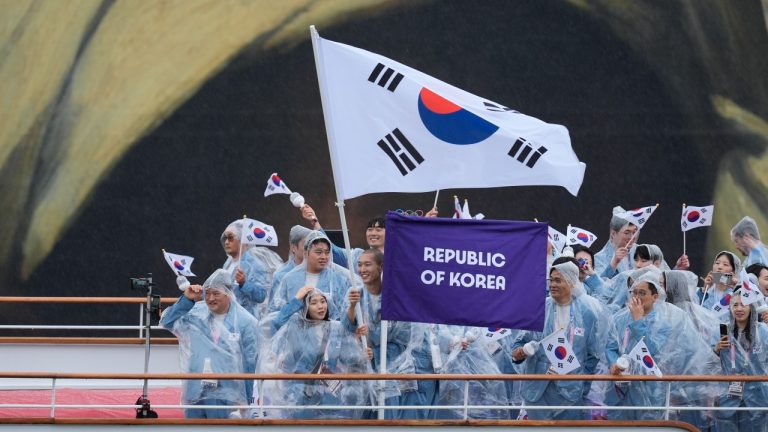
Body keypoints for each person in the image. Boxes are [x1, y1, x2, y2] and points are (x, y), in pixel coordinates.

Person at [604, 274, 719, 420]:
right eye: (634, 292)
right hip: (620, 389)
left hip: (650, 390)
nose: (637, 297)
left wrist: (638, 321)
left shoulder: (663, 323)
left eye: (642, 293)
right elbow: (610, 346)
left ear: (655, 296)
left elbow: (654, 353)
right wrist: (613, 363)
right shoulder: (619, 318)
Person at [343, 248, 438, 419]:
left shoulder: (397, 297)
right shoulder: (356, 294)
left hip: (395, 367)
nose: (362, 269)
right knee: (366, 415)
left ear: (381, 267)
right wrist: (352, 308)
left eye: (367, 264)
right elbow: (346, 329)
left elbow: (405, 337)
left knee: (393, 415)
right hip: (365, 365)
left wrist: (376, 349)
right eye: (359, 265)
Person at [510, 260, 606, 420]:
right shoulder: (539, 309)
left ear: (571, 282)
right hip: (538, 391)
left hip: (570, 392)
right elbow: (517, 346)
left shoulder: (587, 313)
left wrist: (581, 385)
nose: (552, 284)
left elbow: (592, 355)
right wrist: (521, 352)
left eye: (558, 280)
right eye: (551, 280)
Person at [258, 289, 373, 419]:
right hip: (299, 393)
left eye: (323, 301)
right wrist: (297, 298)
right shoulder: (296, 325)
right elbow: (276, 324)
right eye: (313, 303)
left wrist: (362, 355)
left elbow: (348, 357)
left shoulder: (336, 328)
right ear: (306, 306)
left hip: (328, 394)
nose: (320, 306)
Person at [160, 269, 259, 419]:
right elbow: (167, 321)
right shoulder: (196, 312)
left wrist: (245, 400)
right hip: (195, 390)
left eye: (216, 293)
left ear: (228, 293)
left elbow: (250, 364)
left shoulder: (246, 322)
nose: (211, 298)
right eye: (208, 293)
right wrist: (187, 299)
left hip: (226, 394)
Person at [299, 204, 437, 273]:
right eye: (370, 229)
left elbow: (420, 251)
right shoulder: (357, 256)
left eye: (378, 229)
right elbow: (333, 252)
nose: (373, 233)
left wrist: (423, 225)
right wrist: (315, 222)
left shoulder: (399, 256)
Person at [662, 269, 722, 430]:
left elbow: (684, 351)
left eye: (662, 284)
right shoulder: (698, 313)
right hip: (695, 384)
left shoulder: (674, 313)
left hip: (683, 382)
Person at [713, 291, 768, 432]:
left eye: (743, 305)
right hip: (728, 394)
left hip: (757, 394)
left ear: (751, 307)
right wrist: (716, 350)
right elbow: (709, 364)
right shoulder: (722, 330)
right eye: (735, 305)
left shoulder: (763, 331)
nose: (738, 309)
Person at [270, 231, 351, 319]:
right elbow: (275, 315)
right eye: (318, 252)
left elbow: (344, 316)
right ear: (306, 253)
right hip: (295, 331)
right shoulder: (289, 279)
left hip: (328, 332)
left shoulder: (338, 280)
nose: (324, 257)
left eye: (327, 252)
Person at [217, 220, 270, 318]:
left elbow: (261, 295)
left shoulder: (255, 265)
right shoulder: (228, 263)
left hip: (245, 321)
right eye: (225, 238)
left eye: (231, 238)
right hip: (227, 319)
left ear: (243, 241)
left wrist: (244, 284)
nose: (226, 242)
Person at [268, 225, 312, 309]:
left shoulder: (319, 271)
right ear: (293, 247)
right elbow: (274, 309)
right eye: (305, 245)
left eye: (311, 244)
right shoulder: (281, 275)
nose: (309, 249)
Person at [594, 207, 639, 279]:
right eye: (626, 233)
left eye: (634, 232)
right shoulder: (599, 258)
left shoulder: (641, 251)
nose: (632, 237)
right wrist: (614, 263)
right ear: (613, 234)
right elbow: (599, 286)